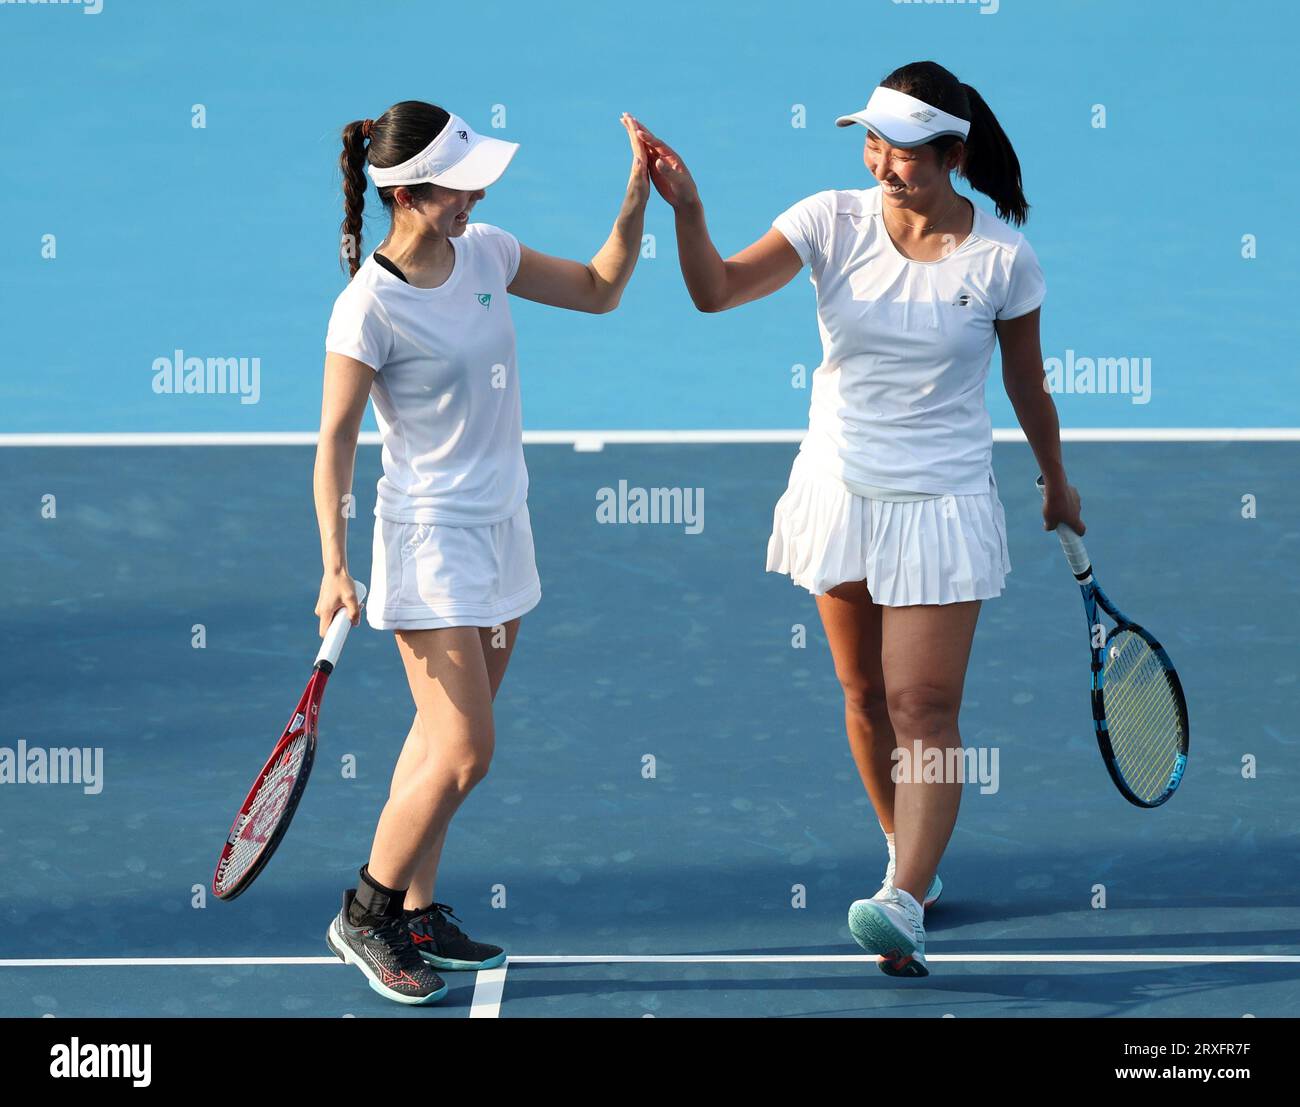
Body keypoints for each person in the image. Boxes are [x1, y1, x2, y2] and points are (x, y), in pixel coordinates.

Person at [633, 60, 1085, 978]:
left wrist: (1056, 479)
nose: (880, 162)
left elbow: (1026, 384)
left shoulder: (1003, 258)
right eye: (871, 142)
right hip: (839, 490)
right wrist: (686, 210)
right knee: (865, 696)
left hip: (943, 502)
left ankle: (906, 899)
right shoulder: (828, 221)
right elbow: (715, 290)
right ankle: (902, 847)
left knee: (926, 705)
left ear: (953, 155)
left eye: (902, 150)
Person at [316, 100, 650, 1004]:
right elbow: (334, 446)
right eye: (463, 184)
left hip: (503, 528)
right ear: (414, 194)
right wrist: (334, 563)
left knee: (437, 737)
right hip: (426, 544)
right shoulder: (367, 310)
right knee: (466, 749)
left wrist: (636, 202)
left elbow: (599, 287)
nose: (481, 194)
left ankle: (417, 913)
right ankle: (366, 910)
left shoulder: (490, 252)